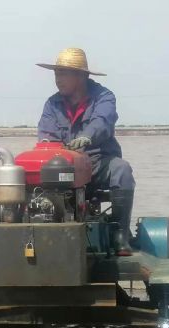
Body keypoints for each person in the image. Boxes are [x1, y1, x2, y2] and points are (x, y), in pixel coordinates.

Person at [36, 48, 135, 256]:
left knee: (122, 170)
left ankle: (120, 234)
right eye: (56, 74)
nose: (58, 80)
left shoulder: (104, 97)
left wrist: (87, 136)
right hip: (65, 165)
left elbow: (103, 121)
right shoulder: (52, 104)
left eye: (63, 74)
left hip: (98, 162)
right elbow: (46, 136)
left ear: (81, 76)